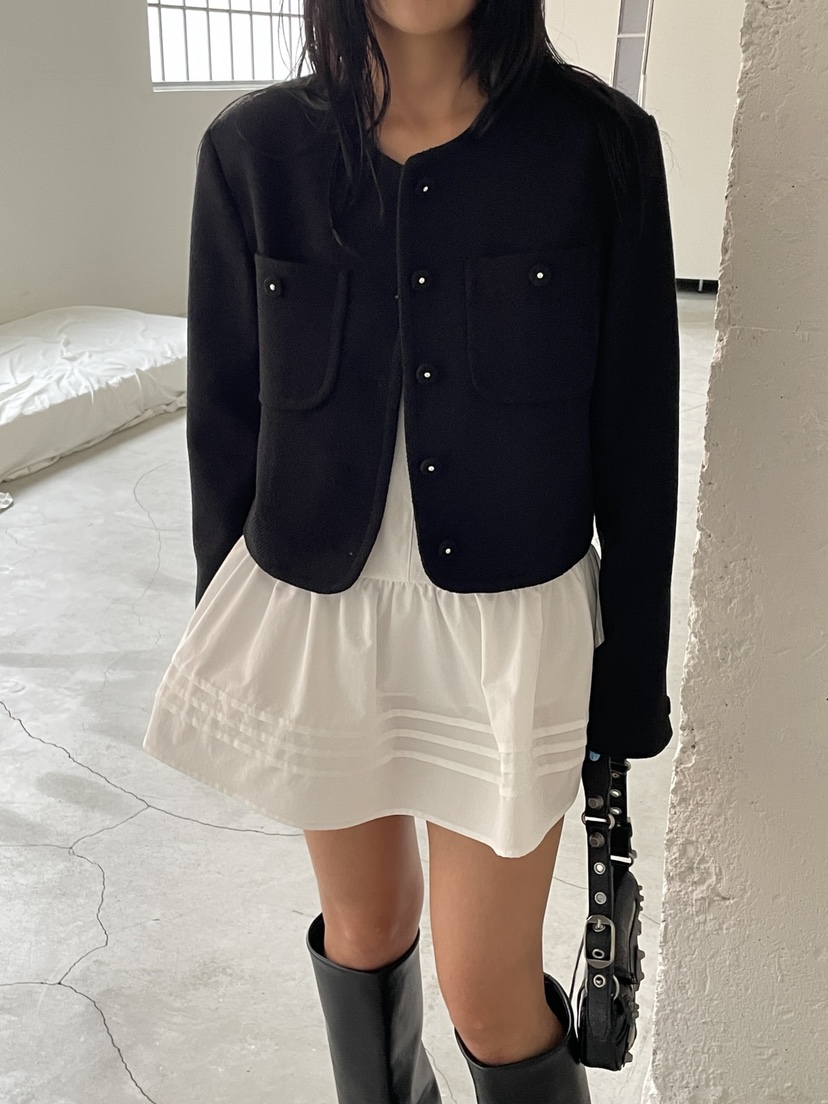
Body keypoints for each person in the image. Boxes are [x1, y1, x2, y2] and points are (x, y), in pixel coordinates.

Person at [143, 1, 679, 1101]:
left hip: (507, 630)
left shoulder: (601, 148)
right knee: (365, 928)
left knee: (487, 987)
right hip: (320, 615)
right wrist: (227, 634)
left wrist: (627, 686)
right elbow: (224, 427)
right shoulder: (253, 153)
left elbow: (638, 435)